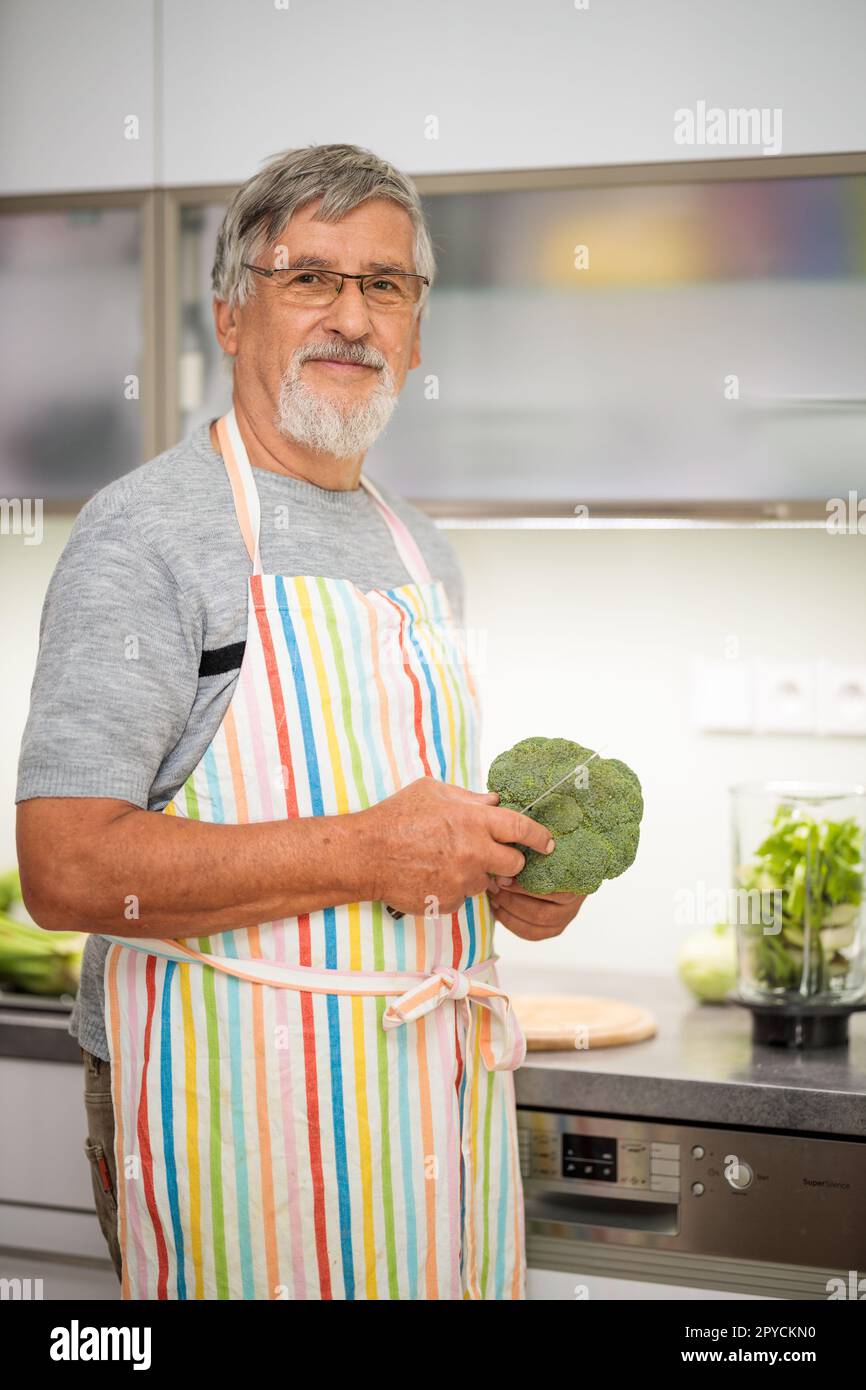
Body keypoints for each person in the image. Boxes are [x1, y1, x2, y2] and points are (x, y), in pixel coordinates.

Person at [16, 143, 585, 1301]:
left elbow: (412, 822)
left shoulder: (420, 550)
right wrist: (371, 852)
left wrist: (500, 877)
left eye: (384, 285)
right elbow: (66, 867)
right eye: (306, 278)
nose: (350, 316)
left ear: (416, 332)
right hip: (226, 1107)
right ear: (232, 313)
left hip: (425, 1103)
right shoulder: (148, 535)